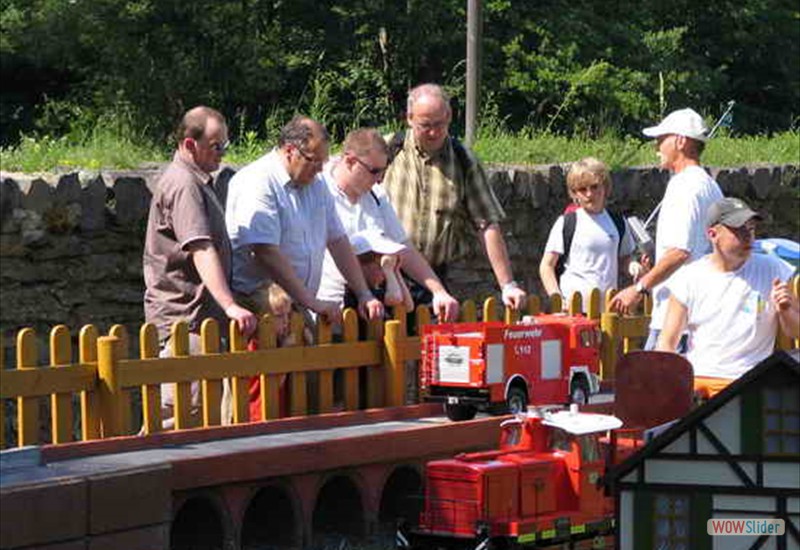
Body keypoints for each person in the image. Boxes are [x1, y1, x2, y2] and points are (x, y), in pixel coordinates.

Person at [143, 106, 258, 429]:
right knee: (181, 416)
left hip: (197, 320)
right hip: (184, 319)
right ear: (190, 145)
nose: (222, 153)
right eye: (215, 145)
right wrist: (230, 305)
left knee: (201, 416)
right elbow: (200, 247)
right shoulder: (183, 185)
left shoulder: (198, 181)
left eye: (225, 144)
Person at [225, 115, 384, 326]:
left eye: (323, 162)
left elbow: (337, 240)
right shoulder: (256, 181)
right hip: (260, 311)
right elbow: (265, 251)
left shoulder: (316, 185)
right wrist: (311, 302)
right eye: (314, 161)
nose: (320, 169)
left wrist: (363, 293)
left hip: (297, 306)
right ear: (290, 151)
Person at [381, 83, 527, 310]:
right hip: (385, 275)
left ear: (449, 116)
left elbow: (487, 223)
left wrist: (508, 285)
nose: (433, 132)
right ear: (409, 118)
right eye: (425, 125)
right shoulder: (387, 148)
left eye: (439, 124)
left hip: (435, 279)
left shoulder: (463, 160)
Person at [657, 197, 798, 399]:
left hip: (754, 380)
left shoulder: (773, 269)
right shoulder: (689, 278)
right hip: (701, 383)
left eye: (750, 229)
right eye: (739, 230)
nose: (748, 236)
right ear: (713, 234)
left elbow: (795, 331)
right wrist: (673, 385)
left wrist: (785, 310)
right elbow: (667, 343)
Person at [316, 127, 459, 321]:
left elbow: (405, 248)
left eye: (383, 171)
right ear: (350, 161)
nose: (379, 179)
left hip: (371, 307)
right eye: (374, 171)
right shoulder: (318, 190)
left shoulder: (376, 195)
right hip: (329, 309)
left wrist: (438, 291)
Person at [610, 108, 723, 350]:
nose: (656, 147)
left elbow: (680, 252)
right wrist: (657, 264)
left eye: (662, 139)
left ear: (681, 141)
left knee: (654, 386)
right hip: (699, 314)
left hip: (677, 321)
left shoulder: (684, 186)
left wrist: (639, 288)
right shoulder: (710, 185)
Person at [539, 157, 635, 309]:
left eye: (594, 187)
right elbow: (547, 265)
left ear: (605, 187)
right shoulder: (566, 223)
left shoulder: (618, 222)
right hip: (572, 311)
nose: (589, 194)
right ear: (574, 193)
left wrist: (634, 266)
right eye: (582, 189)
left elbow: (625, 259)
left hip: (608, 310)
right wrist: (557, 298)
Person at [342, 229, 414, 312]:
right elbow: (395, 298)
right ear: (360, 266)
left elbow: (408, 306)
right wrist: (389, 271)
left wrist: (395, 270)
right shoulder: (357, 294)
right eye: (381, 266)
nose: (384, 271)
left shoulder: (378, 288)